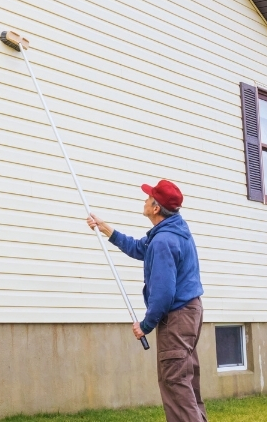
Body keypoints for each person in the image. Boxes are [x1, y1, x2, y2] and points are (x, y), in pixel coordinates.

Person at [86, 180, 206, 422]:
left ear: (155, 208)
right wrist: (105, 228)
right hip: (189, 313)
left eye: (149, 197)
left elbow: (162, 293)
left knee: (174, 381)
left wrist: (146, 325)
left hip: (178, 317)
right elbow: (139, 248)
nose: (144, 199)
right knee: (185, 382)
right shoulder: (171, 232)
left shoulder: (164, 241)